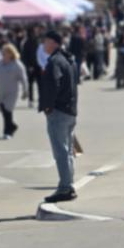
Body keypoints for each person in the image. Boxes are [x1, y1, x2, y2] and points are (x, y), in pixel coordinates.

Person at [39, 28, 78, 203]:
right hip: (70, 110)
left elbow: (54, 83)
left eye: (46, 41)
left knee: (61, 151)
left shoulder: (55, 61)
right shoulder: (68, 59)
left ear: (53, 43)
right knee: (67, 151)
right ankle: (68, 184)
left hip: (59, 112)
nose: (43, 44)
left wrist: (48, 106)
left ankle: (65, 187)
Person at [0, 43, 27, 138]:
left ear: (11, 53)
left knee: (7, 110)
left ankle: (7, 132)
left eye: (5, 52)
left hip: (12, 92)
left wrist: (25, 90)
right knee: (4, 111)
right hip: (0, 92)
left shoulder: (17, 64)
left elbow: (23, 78)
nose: (3, 54)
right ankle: (12, 126)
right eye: (2, 52)